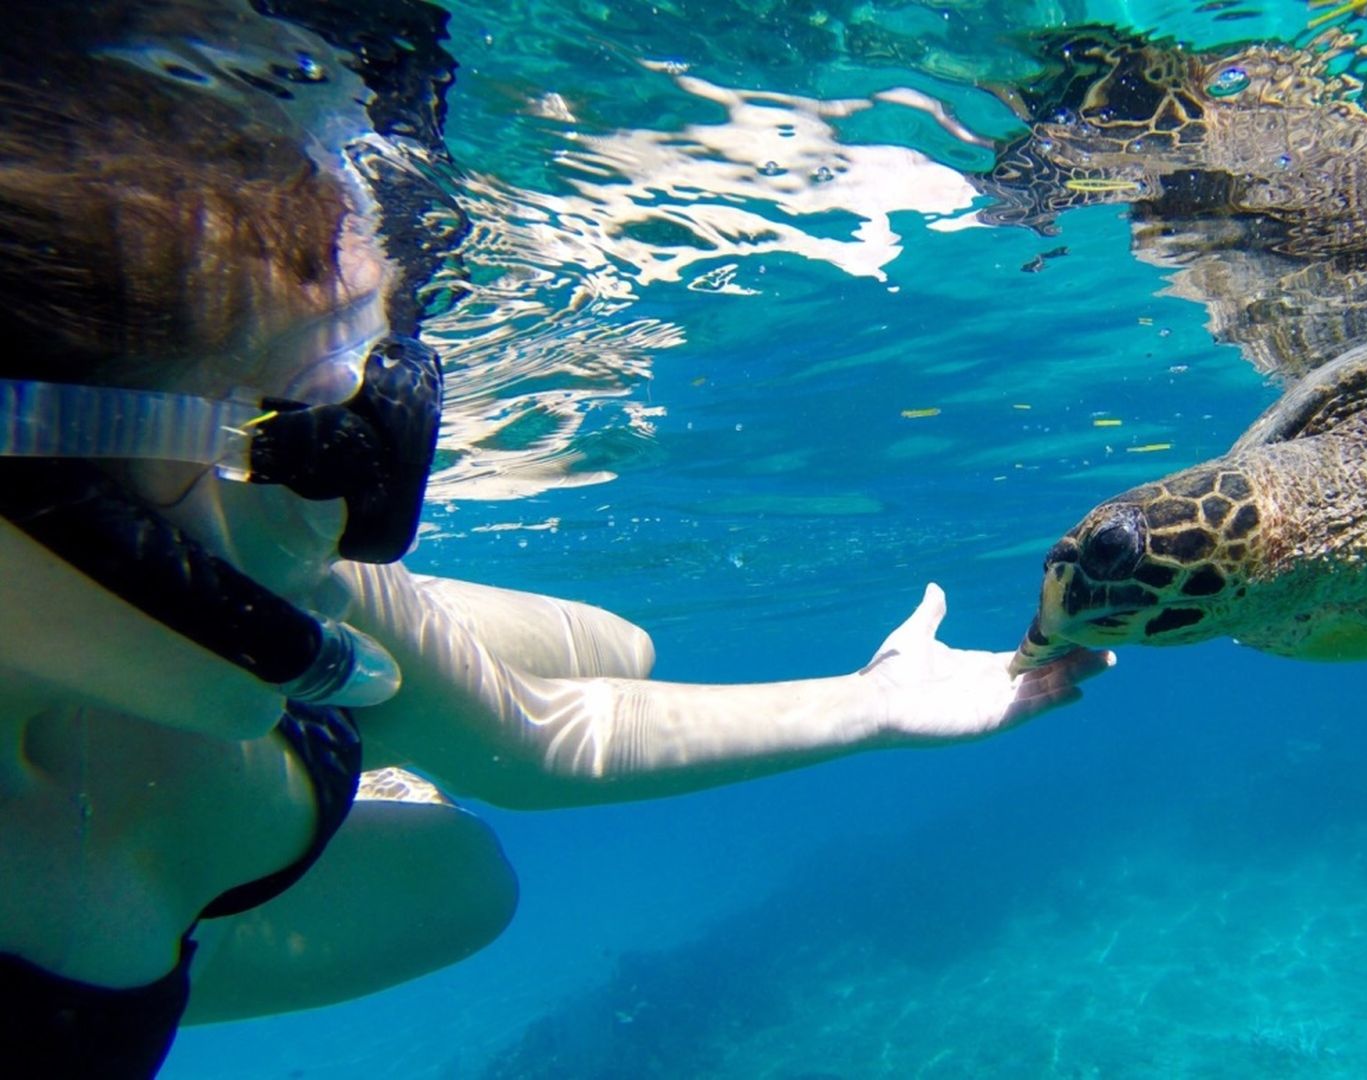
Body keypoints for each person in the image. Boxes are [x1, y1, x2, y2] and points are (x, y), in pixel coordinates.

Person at [0, 2, 1110, 1075]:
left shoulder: (266, 534)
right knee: (459, 883)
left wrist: (876, 704)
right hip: (170, 853)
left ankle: (362, 739)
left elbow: (540, 739)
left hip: (166, 726)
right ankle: (317, 795)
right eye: (303, 436)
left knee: (610, 649)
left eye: (370, 415)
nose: (357, 527)